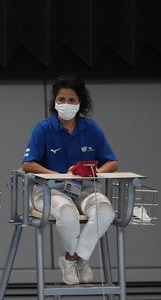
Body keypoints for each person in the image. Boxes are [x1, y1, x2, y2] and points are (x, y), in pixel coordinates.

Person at [23, 74, 117, 284]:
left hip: (84, 189)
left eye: (71, 100)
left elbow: (112, 162)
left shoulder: (91, 129)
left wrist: (96, 172)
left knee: (106, 211)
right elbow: (28, 164)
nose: (66, 104)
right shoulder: (43, 128)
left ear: (80, 103)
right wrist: (59, 175)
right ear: (55, 102)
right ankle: (77, 259)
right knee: (67, 212)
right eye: (61, 100)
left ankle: (74, 258)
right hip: (49, 190)